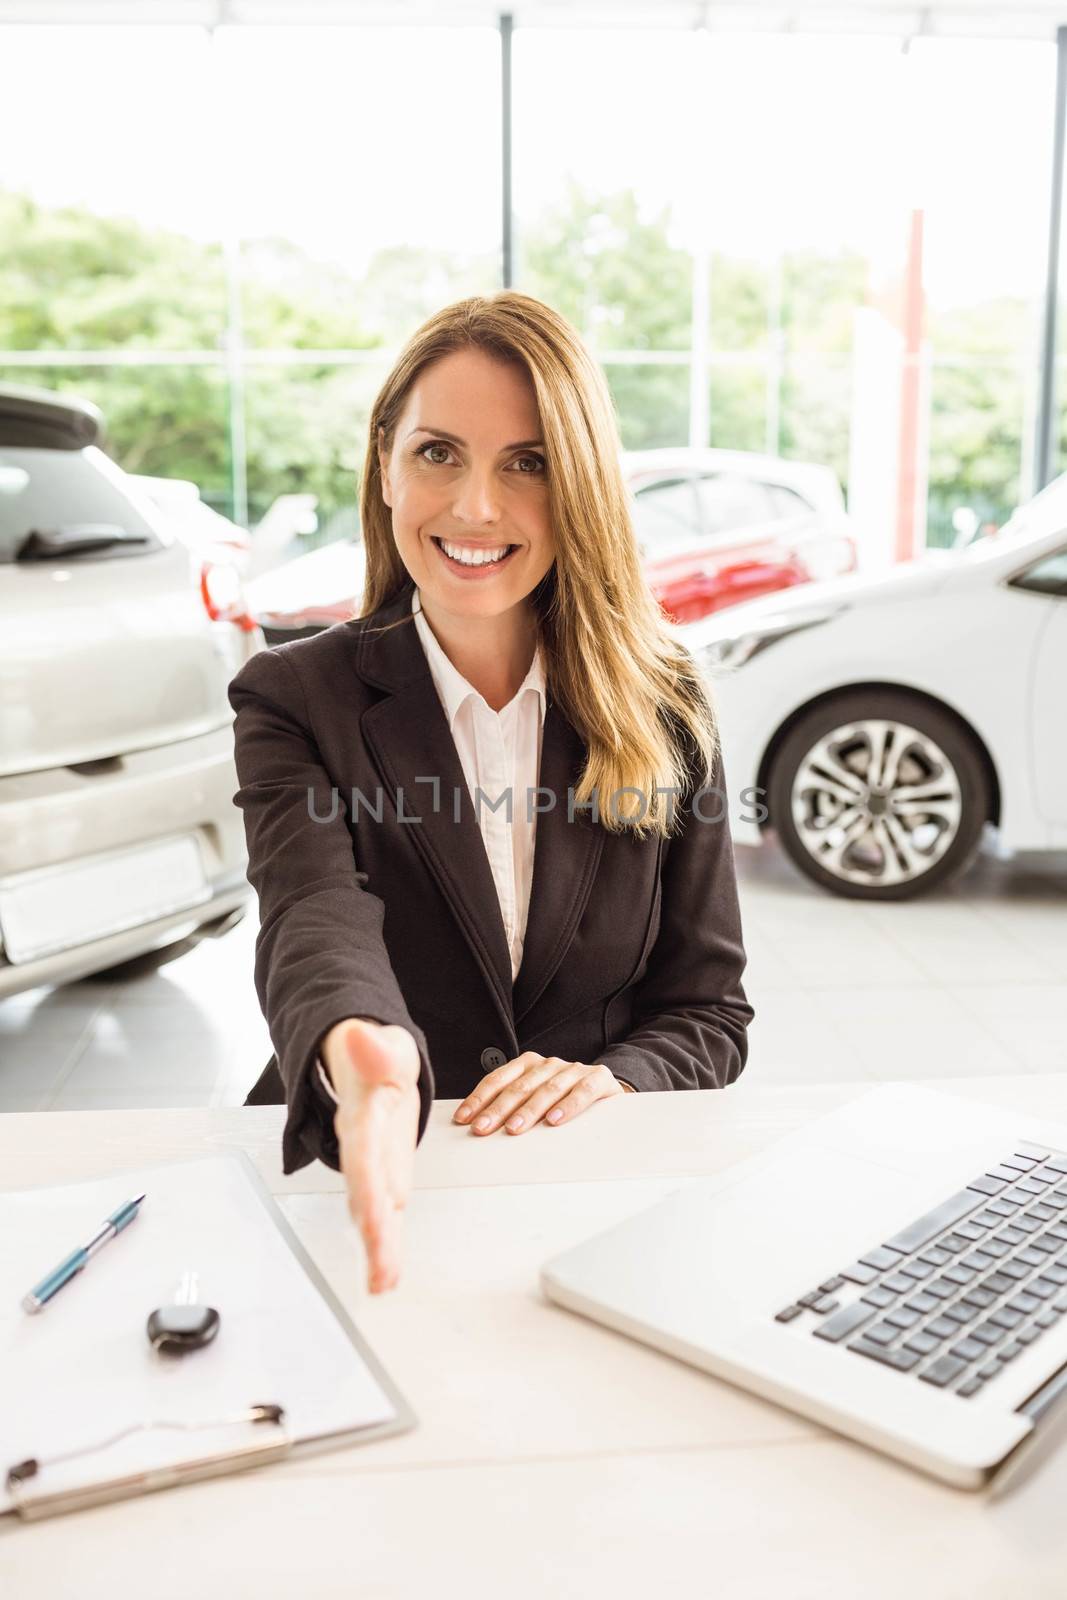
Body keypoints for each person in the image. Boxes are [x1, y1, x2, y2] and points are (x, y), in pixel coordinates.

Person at [228, 291, 753, 1295]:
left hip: (592, 1209)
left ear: (580, 485)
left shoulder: (666, 702)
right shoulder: (295, 697)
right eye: (438, 452)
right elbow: (314, 917)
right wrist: (360, 1048)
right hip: (372, 1185)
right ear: (385, 460)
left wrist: (615, 1077)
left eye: (528, 462)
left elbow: (706, 1012)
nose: (474, 505)